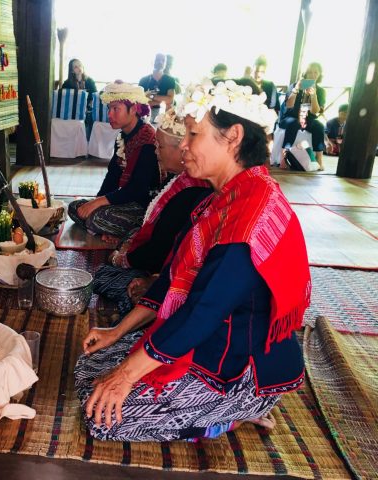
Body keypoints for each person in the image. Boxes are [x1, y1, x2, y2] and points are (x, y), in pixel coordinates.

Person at [75, 79, 310, 442]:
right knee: (88, 368)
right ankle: (205, 404)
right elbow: (171, 281)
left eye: (193, 134)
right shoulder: (222, 198)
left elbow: (203, 311)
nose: (182, 145)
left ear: (232, 136)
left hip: (238, 365)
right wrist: (116, 332)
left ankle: (233, 414)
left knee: (102, 419)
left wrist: (125, 376)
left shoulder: (252, 211)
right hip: (207, 337)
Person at [92, 108, 212, 318]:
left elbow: (160, 247)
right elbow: (150, 221)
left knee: (104, 276)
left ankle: (144, 311)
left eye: (161, 146)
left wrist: (125, 258)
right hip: (158, 264)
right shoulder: (178, 179)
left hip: (166, 274)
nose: (156, 150)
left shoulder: (193, 189)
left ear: (181, 149)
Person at [68, 82, 160, 239]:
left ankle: (125, 232)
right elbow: (112, 176)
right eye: (109, 109)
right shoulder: (122, 136)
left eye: (116, 109)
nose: (109, 115)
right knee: (74, 207)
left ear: (133, 109)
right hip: (124, 202)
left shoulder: (148, 140)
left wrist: (98, 204)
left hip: (144, 207)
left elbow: (138, 189)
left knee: (98, 217)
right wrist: (96, 201)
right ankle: (107, 229)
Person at [279, 62, 326, 170]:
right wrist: (296, 89)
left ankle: (319, 160)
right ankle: (283, 158)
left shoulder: (321, 91)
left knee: (319, 126)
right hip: (290, 117)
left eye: (315, 72)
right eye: (310, 72)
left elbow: (315, 112)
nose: (312, 75)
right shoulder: (295, 85)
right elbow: (289, 105)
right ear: (305, 73)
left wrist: (313, 95)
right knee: (293, 123)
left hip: (308, 119)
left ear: (319, 74)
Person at [139, 53, 176, 122]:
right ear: (152, 62)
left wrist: (151, 96)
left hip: (164, 117)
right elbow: (140, 101)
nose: (160, 62)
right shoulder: (143, 80)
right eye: (157, 60)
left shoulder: (170, 80)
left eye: (163, 60)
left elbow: (170, 99)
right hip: (145, 115)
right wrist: (161, 100)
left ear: (165, 64)